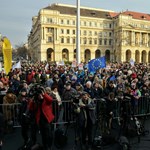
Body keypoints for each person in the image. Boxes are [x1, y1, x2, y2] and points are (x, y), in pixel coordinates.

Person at [28, 86, 54, 150]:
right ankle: (45, 146)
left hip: (47, 119)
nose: (39, 96)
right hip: (40, 120)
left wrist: (44, 94)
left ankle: (49, 146)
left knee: (49, 134)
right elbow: (30, 108)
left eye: (40, 95)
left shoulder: (46, 100)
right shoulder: (35, 100)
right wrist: (33, 99)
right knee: (43, 135)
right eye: (38, 95)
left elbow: (50, 100)